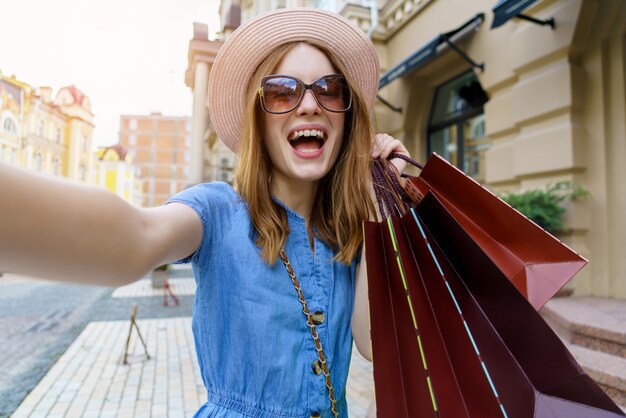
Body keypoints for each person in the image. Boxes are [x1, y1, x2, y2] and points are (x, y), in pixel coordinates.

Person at [0, 8, 410, 418]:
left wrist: (380, 198)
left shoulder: (348, 233)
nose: (308, 105)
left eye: (329, 89)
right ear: (259, 119)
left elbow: (374, 345)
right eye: (282, 92)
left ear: (346, 113)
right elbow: (134, 239)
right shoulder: (218, 211)